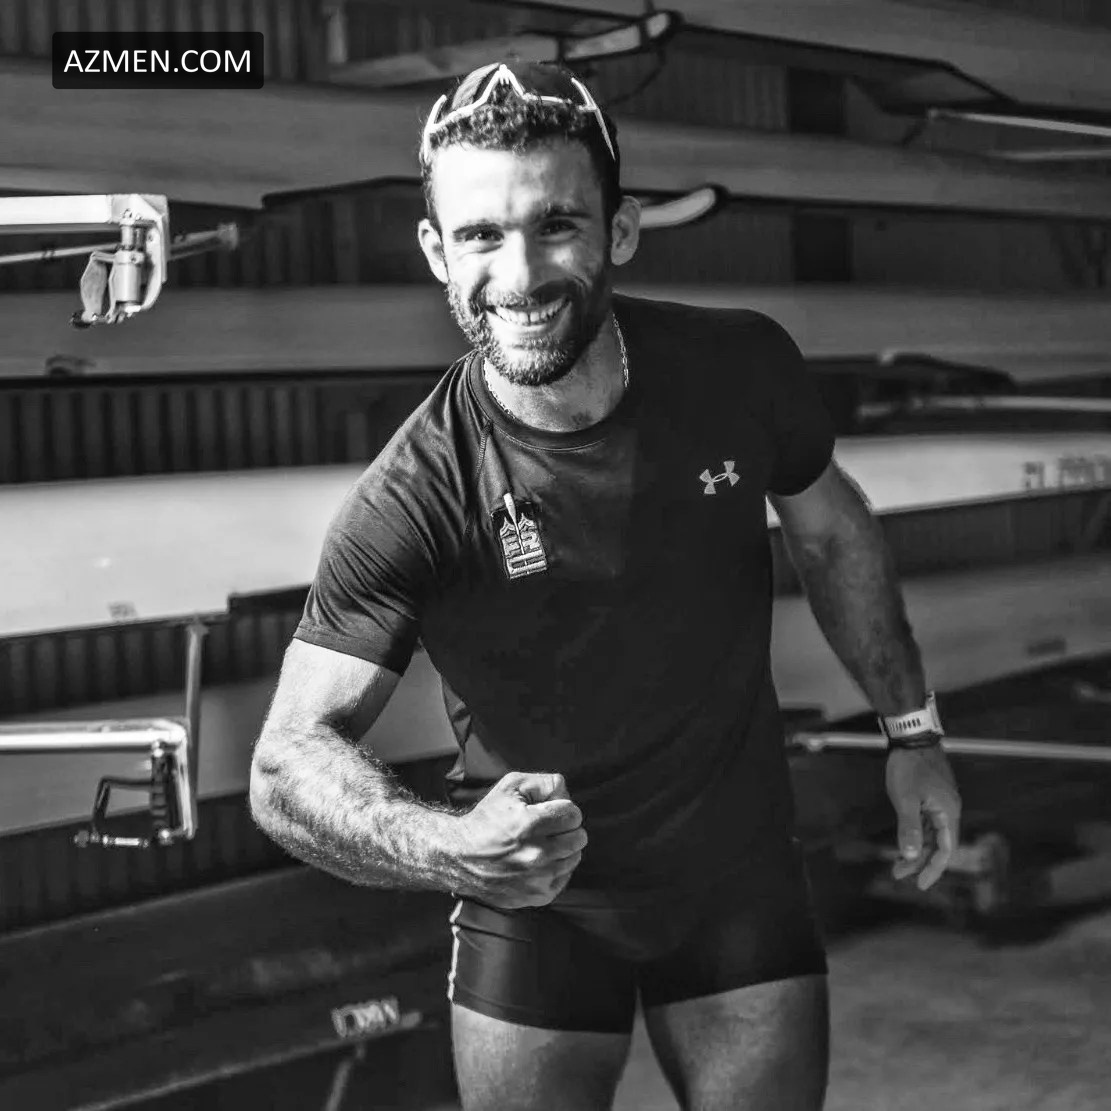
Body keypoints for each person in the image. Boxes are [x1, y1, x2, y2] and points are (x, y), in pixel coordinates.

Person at [249, 61, 962, 1111]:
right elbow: (284, 764)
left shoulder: (739, 368)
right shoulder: (416, 492)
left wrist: (913, 733)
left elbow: (833, 533)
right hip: (534, 899)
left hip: (734, 874)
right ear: (436, 252)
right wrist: (453, 848)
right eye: (481, 235)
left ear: (619, 231)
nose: (520, 273)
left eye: (557, 225)